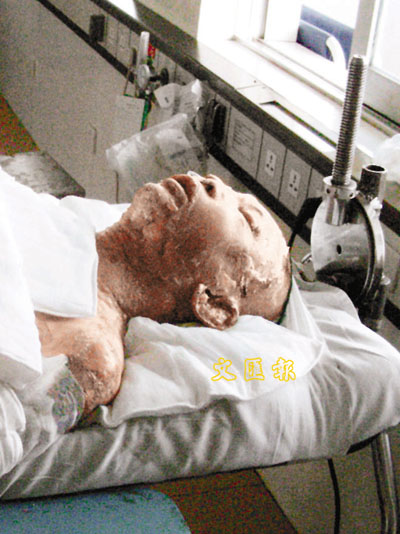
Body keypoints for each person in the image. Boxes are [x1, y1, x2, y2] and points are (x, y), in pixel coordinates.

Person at [35, 173, 291, 420]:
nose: (213, 181)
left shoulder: (88, 358)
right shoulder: (51, 217)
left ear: (213, 304)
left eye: (245, 218)